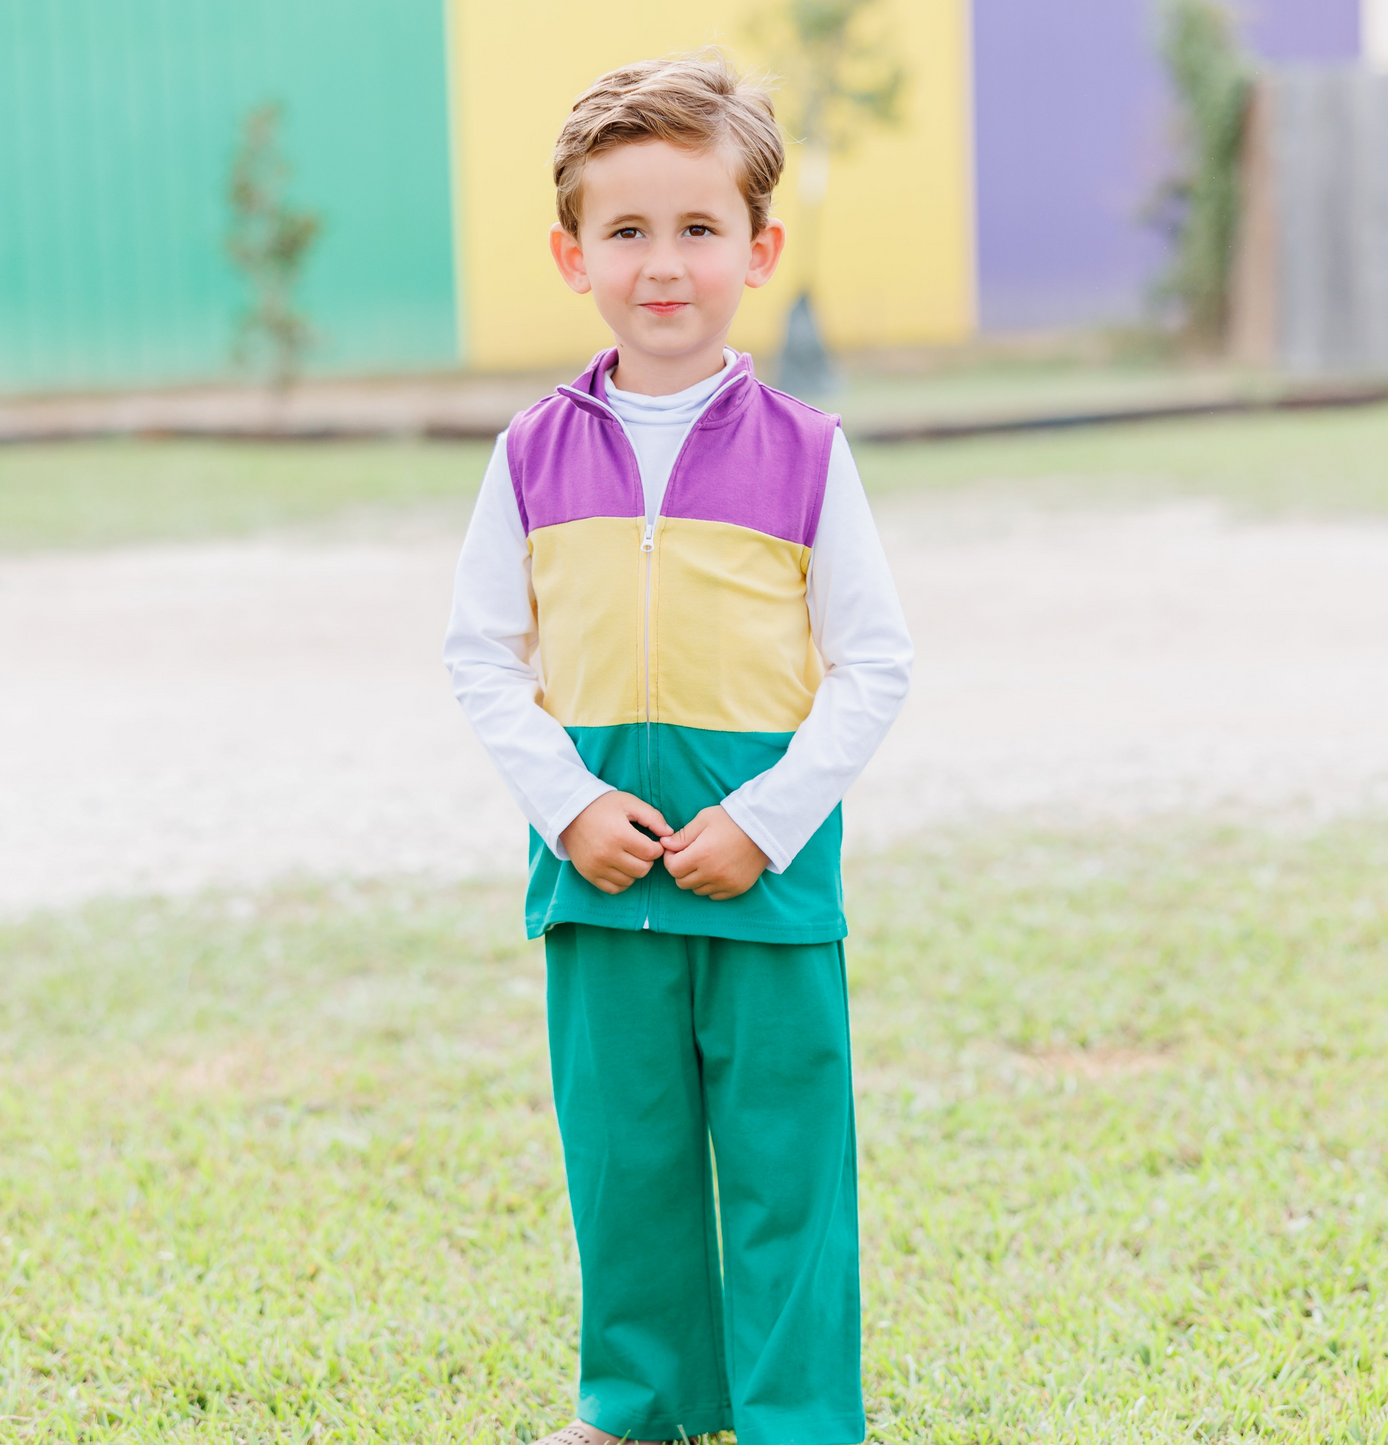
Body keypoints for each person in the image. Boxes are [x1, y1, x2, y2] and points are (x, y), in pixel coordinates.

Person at [444, 52, 912, 1445]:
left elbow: (876, 663)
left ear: (758, 250)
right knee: (627, 1160)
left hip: (767, 887)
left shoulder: (808, 453)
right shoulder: (530, 455)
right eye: (627, 231)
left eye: (699, 229)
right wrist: (569, 806)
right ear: (570, 251)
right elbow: (480, 657)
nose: (664, 264)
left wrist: (767, 824)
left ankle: (796, 1415)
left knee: (787, 1169)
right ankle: (634, 1403)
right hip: (596, 881)